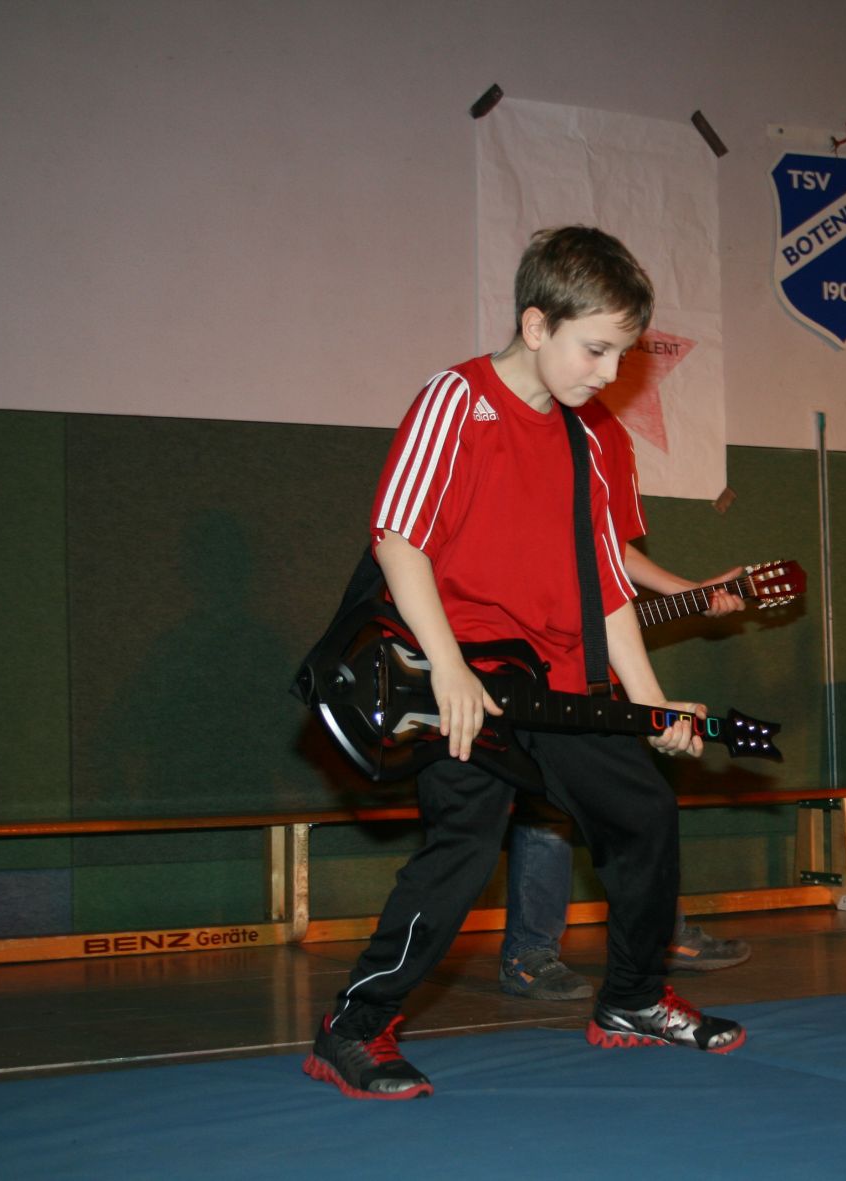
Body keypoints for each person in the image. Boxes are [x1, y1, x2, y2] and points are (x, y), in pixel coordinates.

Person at [303, 226, 744, 1101]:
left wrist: (652, 702)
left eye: (621, 355)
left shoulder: (583, 441)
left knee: (644, 810)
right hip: (454, 675)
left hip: (553, 683)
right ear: (536, 324)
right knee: (466, 846)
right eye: (595, 349)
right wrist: (450, 667)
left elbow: (608, 589)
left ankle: (632, 998)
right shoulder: (456, 401)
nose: (608, 372)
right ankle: (352, 1026)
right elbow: (398, 540)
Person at [500, 538, 751, 1002]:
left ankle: (659, 935)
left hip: (596, 680)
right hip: (523, 672)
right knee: (544, 811)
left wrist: (689, 592)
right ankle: (529, 952)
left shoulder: (605, 487)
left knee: (641, 804)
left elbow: (607, 548)